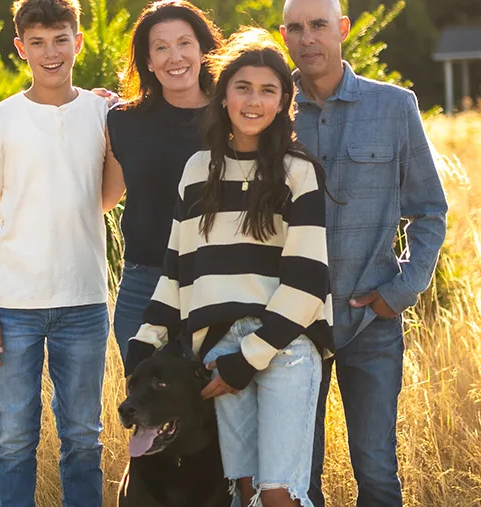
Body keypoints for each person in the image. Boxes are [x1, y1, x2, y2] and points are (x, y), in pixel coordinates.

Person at [125, 28, 335, 507]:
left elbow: (307, 283)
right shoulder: (199, 170)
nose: (254, 101)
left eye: (268, 91)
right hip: (216, 354)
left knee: (278, 491)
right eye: (243, 88)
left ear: (284, 102)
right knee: (242, 488)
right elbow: (178, 271)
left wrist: (251, 357)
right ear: (223, 97)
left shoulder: (298, 172)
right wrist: (146, 338)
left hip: (283, 346)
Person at [280, 0, 448, 506]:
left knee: (376, 473)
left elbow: (430, 211)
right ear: (283, 36)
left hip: (370, 323)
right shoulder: (267, 107)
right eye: (296, 28)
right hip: (290, 325)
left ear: (343, 29)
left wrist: (396, 292)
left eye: (319, 25)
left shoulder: (395, 107)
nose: (308, 38)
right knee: (295, 477)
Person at [0, 0, 118, 507]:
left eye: (60, 39)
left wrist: (117, 124)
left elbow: (104, 199)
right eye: (38, 41)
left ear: (79, 40)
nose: (50, 52)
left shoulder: (102, 115)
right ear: (20, 48)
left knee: (83, 441)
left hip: (84, 303)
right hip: (13, 308)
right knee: (13, 442)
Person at [103, 0, 223, 361]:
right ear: (148, 62)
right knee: (149, 409)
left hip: (216, 281)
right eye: (161, 48)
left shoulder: (232, 117)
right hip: (143, 286)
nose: (175, 57)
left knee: (214, 409)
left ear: (203, 51)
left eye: (185, 43)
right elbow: (105, 199)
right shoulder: (123, 121)